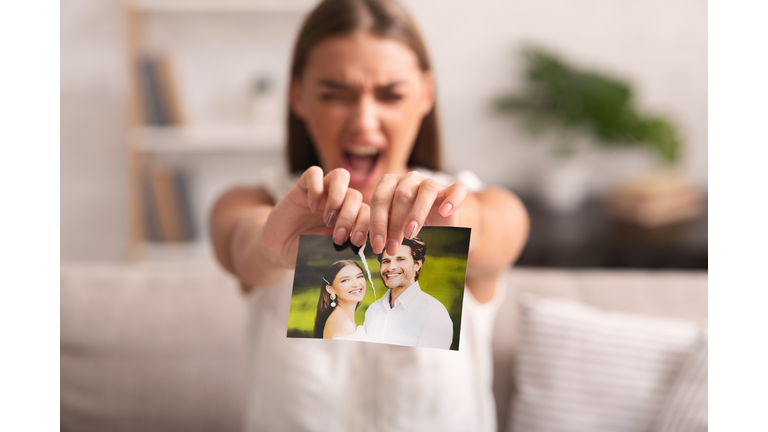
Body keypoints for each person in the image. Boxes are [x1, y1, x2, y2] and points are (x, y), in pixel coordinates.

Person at [209, 0, 529, 430]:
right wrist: (271, 246)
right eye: (335, 94)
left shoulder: (474, 203)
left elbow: (502, 229)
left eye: (390, 94)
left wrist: (456, 214)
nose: (364, 121)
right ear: (298, 95)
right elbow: (241, 240)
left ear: (425, 94)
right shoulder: (257, 200)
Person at [364, 236, 453, 349]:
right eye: (386, 261)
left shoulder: (434, 314)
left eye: (400, 259)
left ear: (417, 264)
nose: (391, 267)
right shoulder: (373, 310)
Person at [314, 260, 369, 340]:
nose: (356, 284)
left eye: (359, 276)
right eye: (345, 280)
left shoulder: (340, 319)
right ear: (330, 289)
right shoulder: (344, 325)